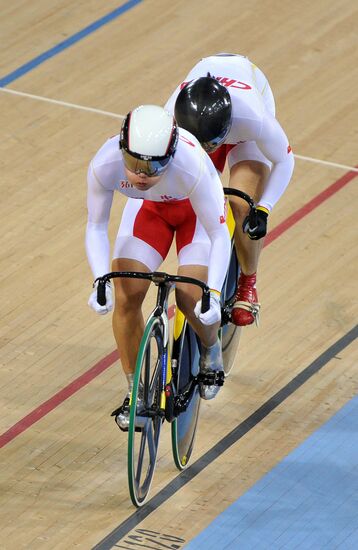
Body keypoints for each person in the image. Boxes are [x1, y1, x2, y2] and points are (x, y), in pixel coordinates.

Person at [86, 104, 231, 429]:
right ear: (123, 150)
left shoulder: (192, 165)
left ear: (172, 154)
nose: (142, 174)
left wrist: (216, 293)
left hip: (197, 218)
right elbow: (96, 226)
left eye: (154, 167)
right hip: (150, 212)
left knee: (190, 296)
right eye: (135, 164)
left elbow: (219, 235)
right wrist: (99, 281)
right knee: (126, 293)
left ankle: (211, 349)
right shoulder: (105, 163)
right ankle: (136, 392)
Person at [165, 53, 295, 326]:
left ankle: (248, 281)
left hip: (245, 118)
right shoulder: (171, 116)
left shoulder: (252, 117)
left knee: (243, 204)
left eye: (212, 144)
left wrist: (263, 209)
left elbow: (285, 160)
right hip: (198, 124)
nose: (208, 150)